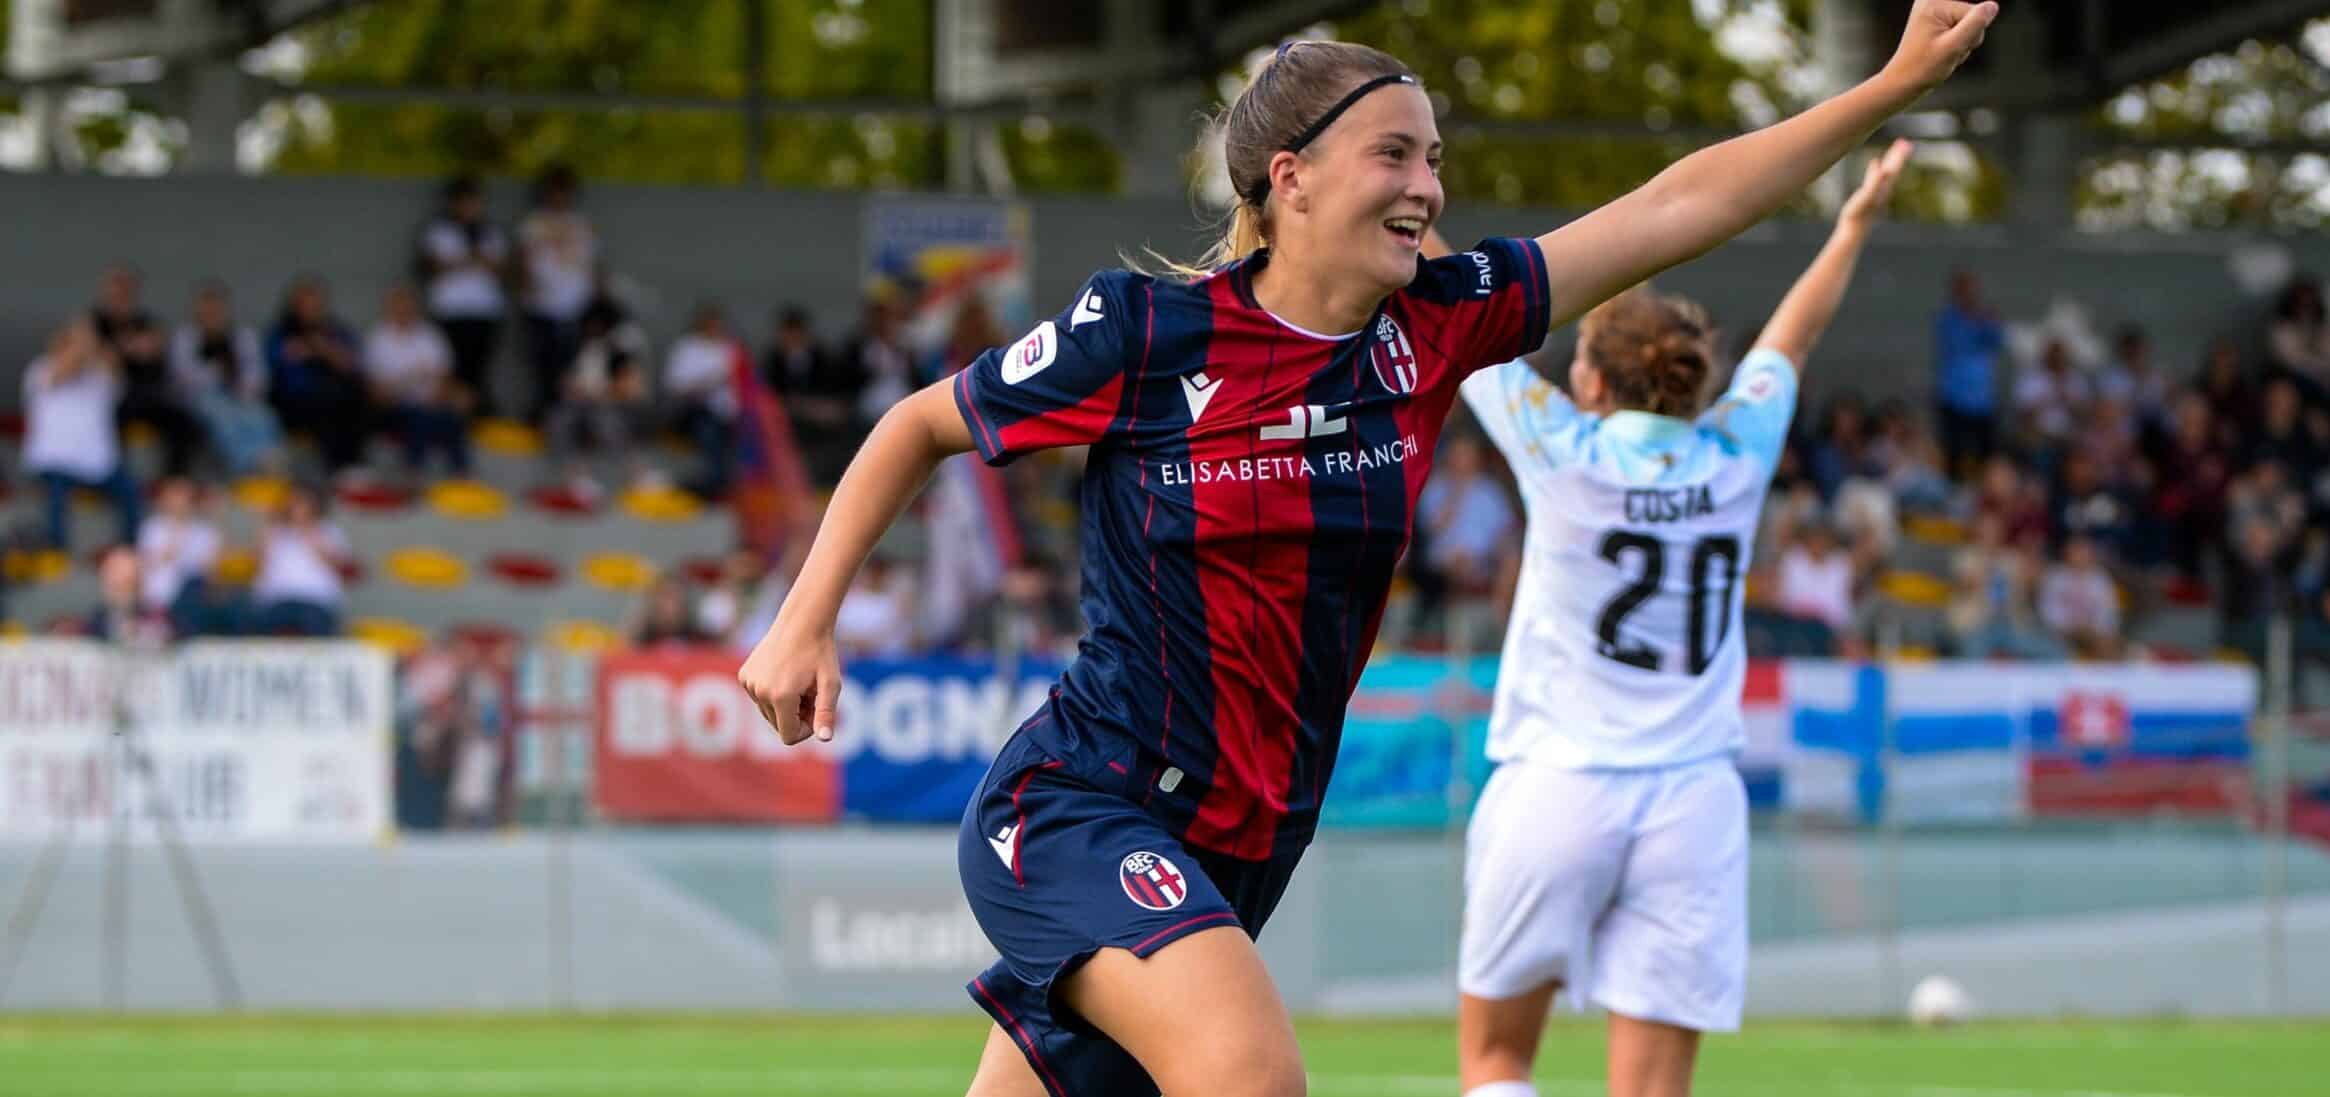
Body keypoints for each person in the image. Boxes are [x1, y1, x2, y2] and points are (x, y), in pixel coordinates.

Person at [736, 10, 1994, 1096]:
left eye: (1434, 160)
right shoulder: (1144, 332)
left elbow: (1676, 206)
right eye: (1393, 153)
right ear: (1288, 177)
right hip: (1080, 804)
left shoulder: (1437, 327)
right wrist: (803, 617)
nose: (1427, 187)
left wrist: (1886, 88)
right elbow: (914, 425)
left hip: (1245, 839)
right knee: (1250, 1075)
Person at [1449, 138, 1912, 1097]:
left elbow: (1450, 311)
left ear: (1591, 382)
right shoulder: (1735, 454)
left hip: (1557, 785)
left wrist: (1401, 214)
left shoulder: (1561, 445)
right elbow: (1792, 337)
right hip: (1692, 801)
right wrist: (1853, 224)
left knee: (1498, 1062)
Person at [23, 319, 142, 550]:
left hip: (98, 463)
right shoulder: (40, 369)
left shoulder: (100, 376)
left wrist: (109, 349)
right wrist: (84, 345)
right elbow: (62, 372)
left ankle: (129, 552)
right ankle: (56, 554)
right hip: (55, 462)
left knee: (132, 493)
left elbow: (116, 375)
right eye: (73, 342)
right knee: (56, 500)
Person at [170, 280, 284, 476]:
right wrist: (217, 372)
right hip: (200, 398)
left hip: (238, 394)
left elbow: (257, 373)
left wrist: (244, 387)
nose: (212, 314)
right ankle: (249, 468)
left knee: (262, 416)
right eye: (207, 309)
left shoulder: (242, 336)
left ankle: (271, 461)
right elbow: (183, 375)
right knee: (223, 416)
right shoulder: (185, 337)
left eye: (217, 309)